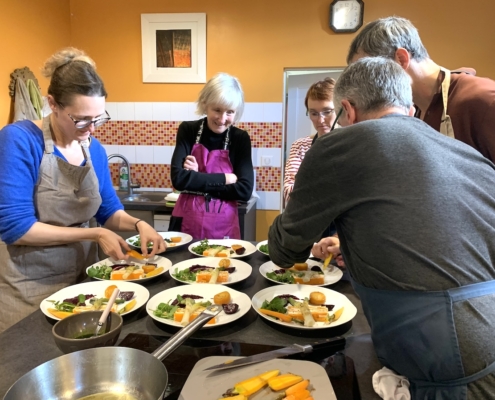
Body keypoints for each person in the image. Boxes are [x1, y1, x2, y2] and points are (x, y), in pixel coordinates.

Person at [268, 57, 495, 399]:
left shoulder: (336, 147)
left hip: (445, 355)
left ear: (348, 110)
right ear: (408, 104)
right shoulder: (464, 152)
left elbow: (285, 250)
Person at [0, 48, 166, 333]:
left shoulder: (94, 150)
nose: (91, 128)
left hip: (85, 285)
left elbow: (108, 211)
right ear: (52, 103)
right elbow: (16, 228)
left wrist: (139, 224)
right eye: (81, 119)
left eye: (98, 118)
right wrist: (95, 233)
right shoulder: (20, 140)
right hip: (28, 289)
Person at [346, 16, 495, 162]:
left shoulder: (484, 100)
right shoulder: (412, 112)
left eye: (370, 74)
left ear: (401, 59)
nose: (366, 86)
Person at [170, 73, 254, 239]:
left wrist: (196, 178)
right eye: (217, 110)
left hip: (224, 227)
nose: (222, 119)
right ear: (205, 104)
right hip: (186, 223)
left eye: (230, 112)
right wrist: (224, 178)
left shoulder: (240, 138)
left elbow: (244, 190)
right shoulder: (188, 130)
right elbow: (178, 180)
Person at [283, 78, 337, 205]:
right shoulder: (300, 146)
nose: (321, 120)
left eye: (327, 112)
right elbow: (289, 195)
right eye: (314, 113)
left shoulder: (352, 144)